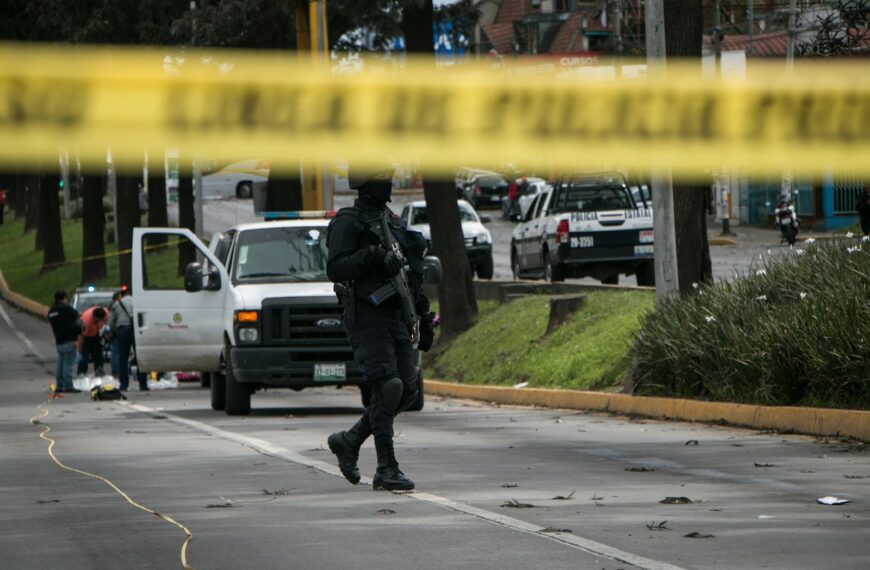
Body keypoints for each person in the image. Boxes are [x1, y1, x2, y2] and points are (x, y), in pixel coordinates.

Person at [326, 166, 435, 491]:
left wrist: (424, 315)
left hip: (397, 315)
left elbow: (409, 274)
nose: (387, 184)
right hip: (367, 315)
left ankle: (350, 439)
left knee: (408, 389)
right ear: (365, 184)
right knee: (387, 386)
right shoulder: (349, 221)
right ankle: (386, 468)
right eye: (381, 179)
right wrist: (371, 256)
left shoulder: (392, 221)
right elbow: (335, 267)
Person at [109, 289, 148, 392]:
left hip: (123, 330)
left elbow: (111, 322)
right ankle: (143, 384)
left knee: (123, 358)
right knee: (139, 357)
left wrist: (117, 330)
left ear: (121, 296)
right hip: (136, 330)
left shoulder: (117, 304)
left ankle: (124, 385)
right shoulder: (138, 302)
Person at [47, 291, 82, 394]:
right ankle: (68, 386)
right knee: (68, 365)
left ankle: (59, 386)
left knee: (60, 365)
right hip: (69, 340)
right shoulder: (65, 308)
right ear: (64, 298)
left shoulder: (51, 311)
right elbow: (77, 315)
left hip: (59, 341)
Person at [77, 306, 107, 376]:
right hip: (86, 338)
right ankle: (81, 375)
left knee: (99, 357)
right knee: (84, 359)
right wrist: (79, 351)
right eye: (95, 319)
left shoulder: (105, 313)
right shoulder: (86, 321)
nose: (95, 320)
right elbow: (81, 336)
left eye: (98, 320)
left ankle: (99, 375)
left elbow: (107, 322)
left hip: (96, 336)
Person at [108, 291, 121, 376]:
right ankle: (116, 370)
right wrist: (116, 330)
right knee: (116, 352)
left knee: (116, 352)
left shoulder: (113, 306)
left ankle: (116, 369)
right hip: (117, 331)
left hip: (116, 330)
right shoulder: (115, 306)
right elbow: (111, 321)